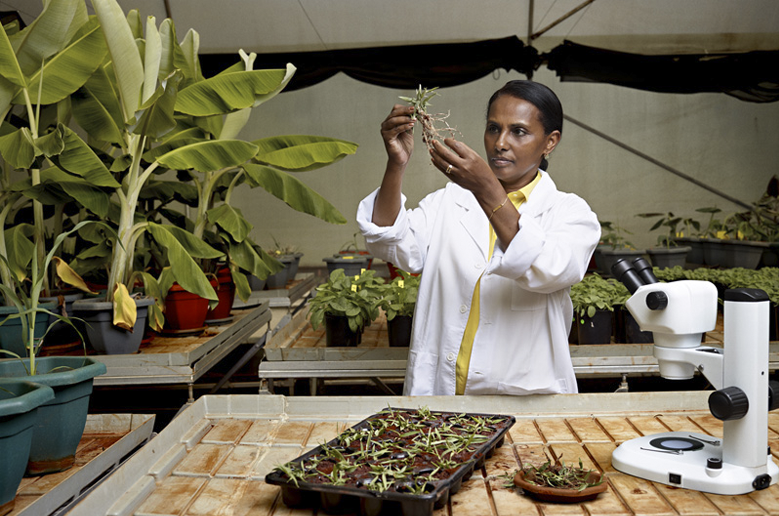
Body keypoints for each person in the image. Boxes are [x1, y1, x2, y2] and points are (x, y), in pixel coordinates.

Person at [356, 80, 600, 396]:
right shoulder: (449, 201)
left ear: (550, 142)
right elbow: (391, 243)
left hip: (525, 399)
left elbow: (549, 269)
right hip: (441, 394)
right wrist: (396, 164)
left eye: (519, 132)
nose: (500, 143)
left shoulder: (569, 213)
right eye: (493, 128)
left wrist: (488, 189)